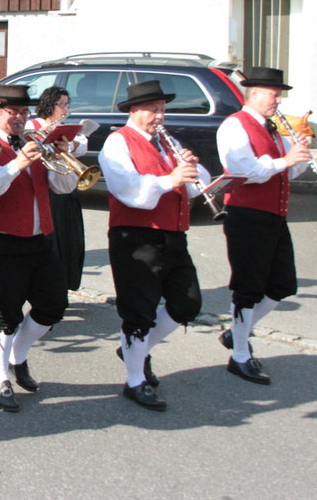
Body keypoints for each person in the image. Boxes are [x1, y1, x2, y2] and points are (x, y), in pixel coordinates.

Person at [98, 80, 210, 412]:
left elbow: (195, 187)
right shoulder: (117, 142)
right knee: (139, 311)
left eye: (162, 109)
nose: (160, 116)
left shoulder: (167, 142)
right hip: (136, 236)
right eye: (153, 110)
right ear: (134, 110)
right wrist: (169, 179)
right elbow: (128, 190)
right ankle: (135, 381)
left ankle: (136, 350)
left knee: (188, 303)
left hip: (173, 235)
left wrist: (191, 168)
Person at [0, 84, 78, 412]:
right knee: (6, 314)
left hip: (40, 239)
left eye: (24, 112)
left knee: (53, 305)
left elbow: (64, 186)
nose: (19, 117)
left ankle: (18, 356)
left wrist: (63, 155)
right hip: (0, 240)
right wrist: (17, 164)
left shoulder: (35, 141)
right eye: (12, 111)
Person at [216, 67, 309, 385]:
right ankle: (240, 355)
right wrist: (285, 160)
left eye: (279, 95)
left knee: (283, 285)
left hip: (274, 215)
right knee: (248, 287)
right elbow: (244, 171)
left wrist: (298, 156)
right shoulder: (234, 125)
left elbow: (285, 173)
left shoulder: (272, 130)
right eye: (274, 94)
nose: (278, 100)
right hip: (246, 215)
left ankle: (237, 332)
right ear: (254, 93)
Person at [33, 86, 89, 290]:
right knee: (53, 243)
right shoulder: (32, 126)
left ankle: (66, 283)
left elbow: (83, 145)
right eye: (61, 105)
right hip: (48, 193)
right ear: (49, 105)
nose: (65, 109)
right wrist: (44, 135)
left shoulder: (64, 127)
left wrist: (68, 145)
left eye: (67, 104)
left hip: (67, 193)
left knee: (71, 241)